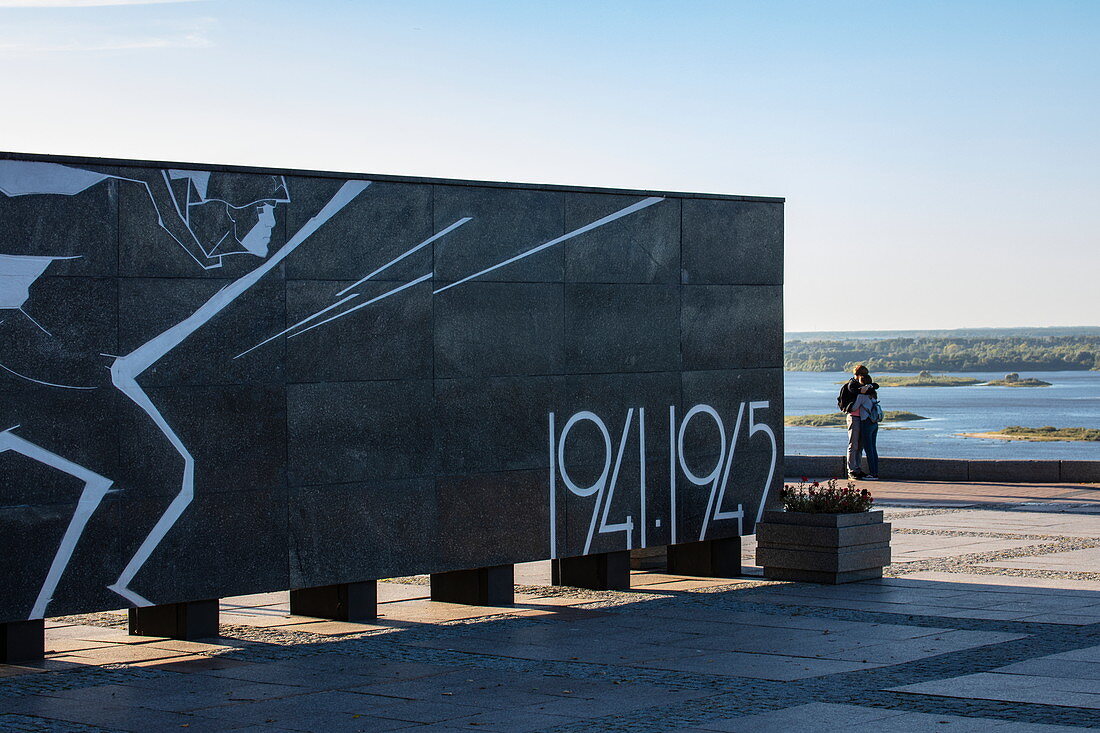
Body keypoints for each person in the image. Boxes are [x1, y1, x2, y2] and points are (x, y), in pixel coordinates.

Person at [837, 364, 877, 479]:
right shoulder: (852, 385)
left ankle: (857, 468)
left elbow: (876, 386)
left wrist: (869, 386)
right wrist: (862, 391)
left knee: (860, 445)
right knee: (853, 444)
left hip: (863, 419)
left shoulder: (863, 385)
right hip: (854, 418)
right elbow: (854, 393)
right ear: (857, 375)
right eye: (863, 375)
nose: (864, 377)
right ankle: (852, 470)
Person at [852, 374, 880, 480]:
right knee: (873, 448)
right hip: (874, 422)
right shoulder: (874, 394)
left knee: (868, 449)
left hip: (866, 422)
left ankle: (873, 474)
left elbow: (854, 407)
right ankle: (875, 471)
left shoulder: (862, 395)